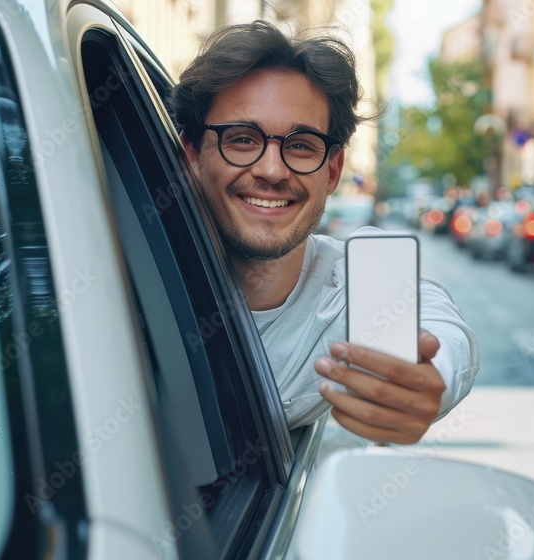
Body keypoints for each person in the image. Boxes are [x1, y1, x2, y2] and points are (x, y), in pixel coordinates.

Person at [167, 21, 478, 445]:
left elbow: (443, 332)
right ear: (191, 156)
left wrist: (423, 383)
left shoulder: (353, 289)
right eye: (241, 139)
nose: (272, 171)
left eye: (300, 146)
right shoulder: (131, 268)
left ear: (332, 171)